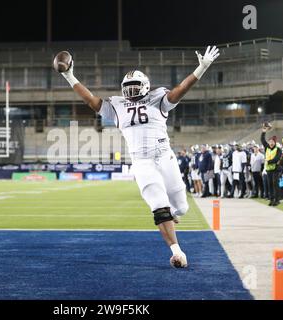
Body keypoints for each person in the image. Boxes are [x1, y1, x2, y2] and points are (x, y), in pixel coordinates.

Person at [58, 46, 220, 268]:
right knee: (159, 207)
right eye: (128, 87)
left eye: (135, 87)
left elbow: (180, 89)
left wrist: (201, 68)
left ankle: (173, 215)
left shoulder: (158, 98)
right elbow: (90, 100)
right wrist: (69, 75)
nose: (131, 91)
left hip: (165, 157)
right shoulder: (117, 106)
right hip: (142, 162)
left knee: (181, 207)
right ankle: (176, 251)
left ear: (145, 86)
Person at [261, 124, 282, 206]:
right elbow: (262, 140)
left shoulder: (278, 149)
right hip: (269, 169)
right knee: (270, 184)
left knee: (275, 183)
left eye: (272, 141)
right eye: (270, 141)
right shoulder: (267, 147)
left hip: (276, 169)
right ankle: (272, 199)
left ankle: (277, 200)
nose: (271, 143)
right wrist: (263, 131)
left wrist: (269, 161)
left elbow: (277, 158)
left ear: (275, 142)